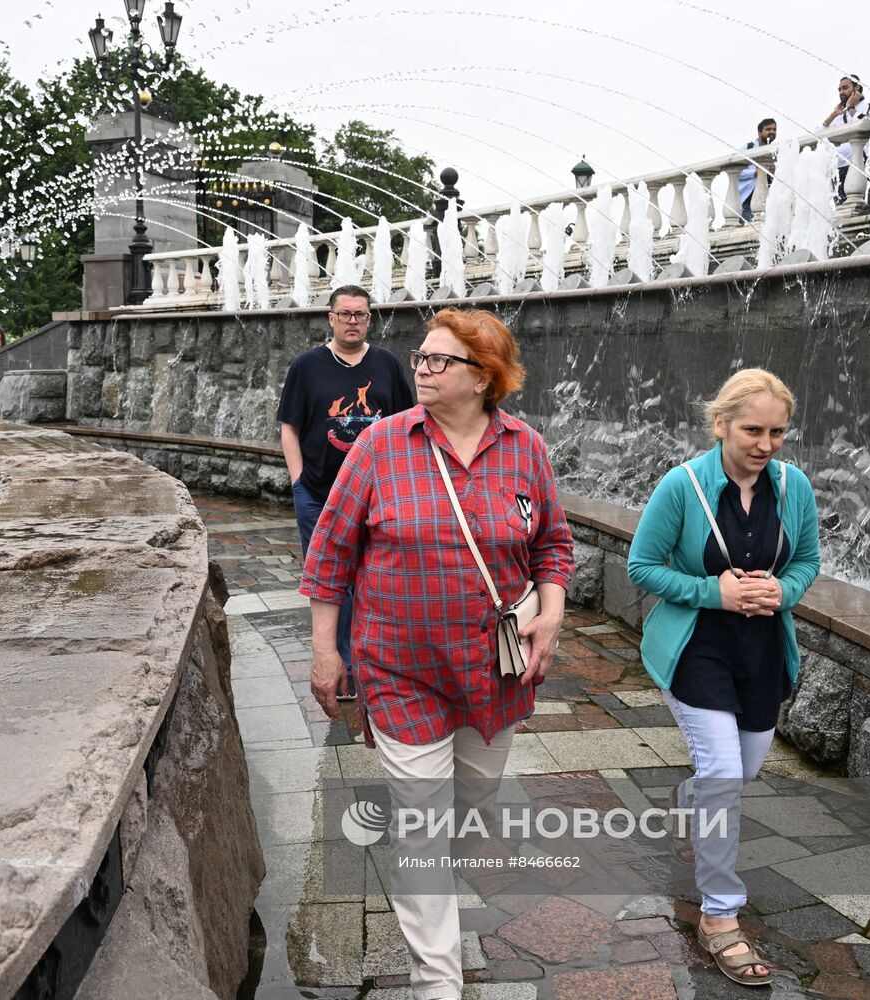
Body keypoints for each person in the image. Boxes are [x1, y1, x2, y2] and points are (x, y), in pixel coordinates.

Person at [300, 307, 574, 1000]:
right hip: (401, 671)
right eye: (420, 357)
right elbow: (331, 553)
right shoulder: (381, 447)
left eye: (438, 360)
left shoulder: (525, 448)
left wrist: (552, 611)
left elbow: (552, 544)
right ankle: (436, 980)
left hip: (493, 672)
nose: (419, 368)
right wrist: (325, 652)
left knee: (470, 804)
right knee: (425, 826)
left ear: (484, 377)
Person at [626, 369, 820, 988]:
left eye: (777, 433)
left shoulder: (794, 487)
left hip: (763, 650)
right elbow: (642, 566)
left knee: (741, 771)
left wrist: (781, 589)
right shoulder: (681, 486)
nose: (765, 444)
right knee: (722, 774)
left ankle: (693, 804)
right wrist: (714, 592)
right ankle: (719, 917)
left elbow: (809, 561)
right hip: (697, 648)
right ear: (720, 425)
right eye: (752, 430)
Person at [278, 284, 415, 699]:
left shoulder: (387, 365)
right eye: (345, 314)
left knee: (372, 578)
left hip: (376, 495)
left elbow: (407, 423)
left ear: (369, 319)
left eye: (360, 314)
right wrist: (298, 482)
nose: (352, 320)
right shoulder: (308, 366)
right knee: (329, 582)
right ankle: (341, 665)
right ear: (331, 318)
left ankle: (368, 660)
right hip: (319, 494)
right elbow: (290, 427)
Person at [823, 74, 870, 203]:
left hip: (854, 164)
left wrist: (851, 107)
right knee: (840, 209)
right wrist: (833, 114)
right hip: (837, 168)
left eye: (845, 88)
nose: (841, 92)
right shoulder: (839, 112)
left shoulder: (868, 106)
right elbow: (818, 134)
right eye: (839, 89)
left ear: (856, 88)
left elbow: (865, 123)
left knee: (855, 205)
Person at [738, 118, 777, 221]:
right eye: (768, 129)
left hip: (768, 198)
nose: (772, 132)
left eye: (774, 129)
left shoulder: (775, 150)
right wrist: (755, 172)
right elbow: (737, 172)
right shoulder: (748, 148)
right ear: (759, 133)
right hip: (747, 200)